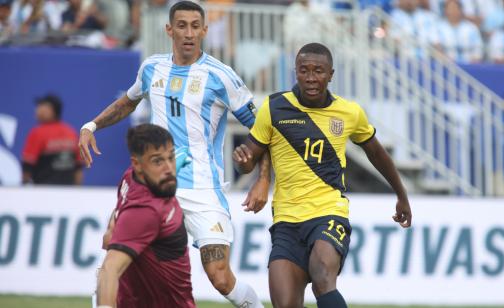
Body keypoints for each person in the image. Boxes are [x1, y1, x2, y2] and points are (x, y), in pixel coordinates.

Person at [79, 2, 269, 307]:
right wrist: (92, 125)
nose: (189, 33)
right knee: (113, 249)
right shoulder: (152, 67)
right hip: (156, 187)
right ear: (169, 29)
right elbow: (128, 101)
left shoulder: (221, 76)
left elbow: (263, 129)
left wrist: (263, 180)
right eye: (182, 25)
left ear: (205, 30)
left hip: (204, 189)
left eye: (196, 26)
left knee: (220, 278)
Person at [232, 43, 412, 308]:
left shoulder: (349, 112)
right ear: (295, 72)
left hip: (328, 212)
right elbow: (250, 158)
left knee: (322, 275)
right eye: (304, 71)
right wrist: (244, 163)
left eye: (318, 71)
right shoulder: (274, 107)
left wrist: (401, 195)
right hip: (286, 221)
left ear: (331, 74)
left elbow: (377, 154)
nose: (311, 78)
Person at [96, 124, 195, 308]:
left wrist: (114, 228)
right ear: (137, 164)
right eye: (158, 161)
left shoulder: (131, 177)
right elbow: (109, 269)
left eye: (171, 158)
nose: (169, 169)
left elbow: (115, 223)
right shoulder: (147, 211)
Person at [21, 94, 83, 185]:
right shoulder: (71, 131)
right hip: (69, 193)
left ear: (52, 110)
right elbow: (78, 168)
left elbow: (27, 167)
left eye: (42, 106)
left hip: (43, 192)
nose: (37, 110)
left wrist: (25, 190)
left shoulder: (37, 133)